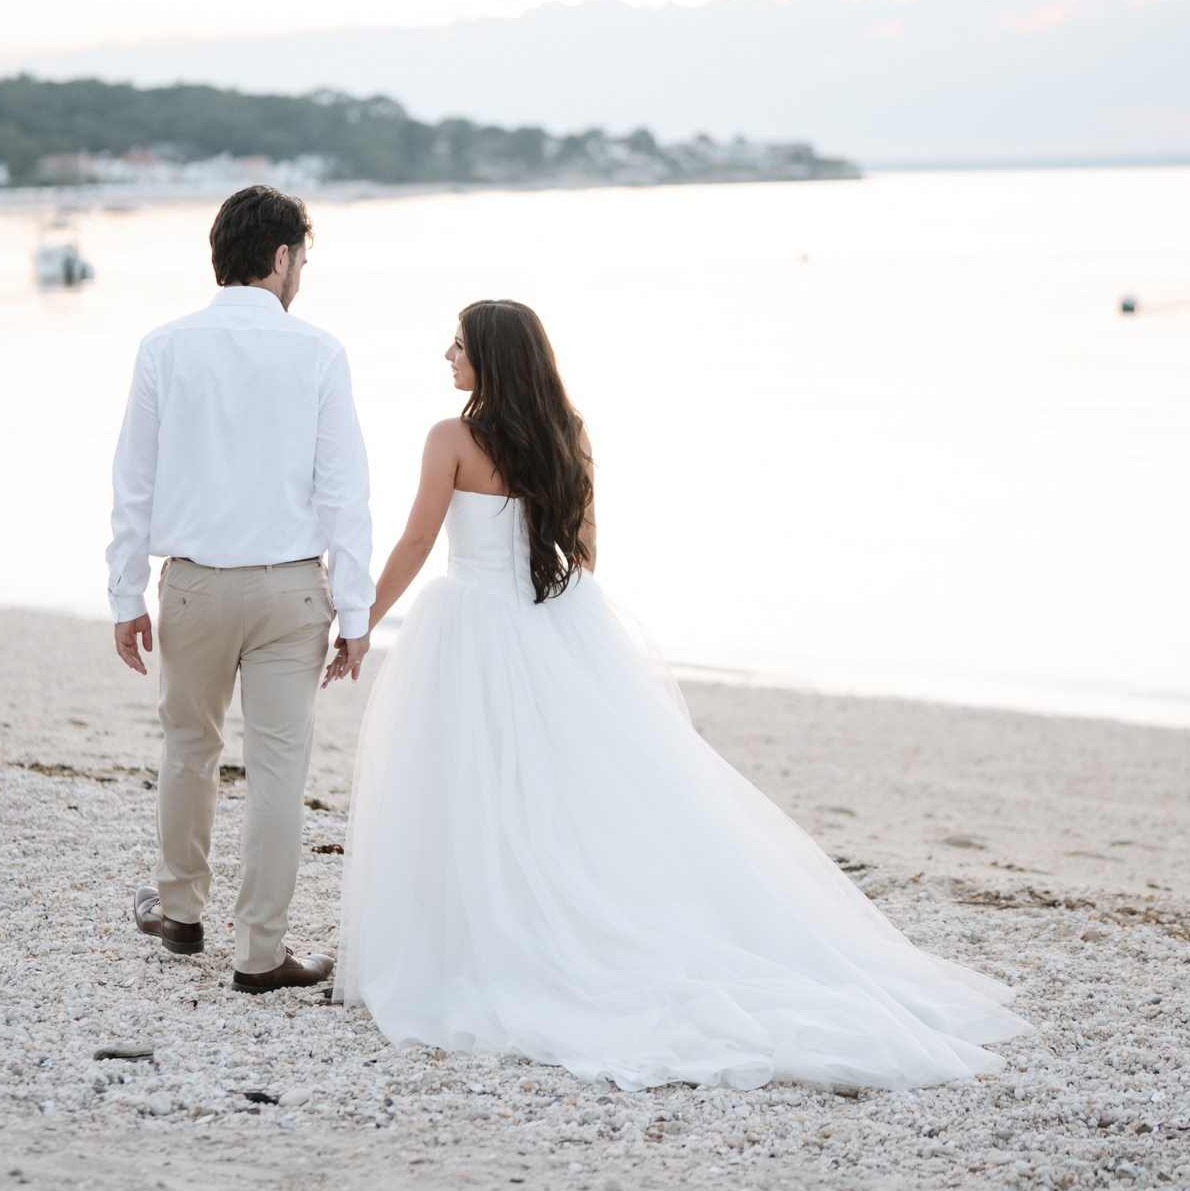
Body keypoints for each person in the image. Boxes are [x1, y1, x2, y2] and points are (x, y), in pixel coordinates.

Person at [335, 298, 1026, 1089]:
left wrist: (360, 622)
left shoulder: (449, 438)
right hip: (555, 627)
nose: (446, 356)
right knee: (567, 798)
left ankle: (471, 939)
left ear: (490, 357)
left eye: (457, 345)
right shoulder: (569, 434)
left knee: (467, 787)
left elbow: (419, 541)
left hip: (469, 627)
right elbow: (585, 549)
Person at [108, 185, 372, 992]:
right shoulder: (319, 353)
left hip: (191, 587)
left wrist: (126, 596)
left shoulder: (164, 347)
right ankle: (260, 952)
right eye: (303, 260)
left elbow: (134, 484)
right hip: (291, 593)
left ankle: (182, 912)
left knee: (189, 748)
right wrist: (356, 612)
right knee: (279, 770)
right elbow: (344, 495)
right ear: (283, 257)